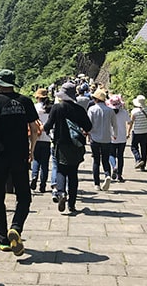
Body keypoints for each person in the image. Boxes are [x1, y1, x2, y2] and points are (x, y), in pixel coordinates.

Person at [0, 69, 39, 256]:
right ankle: (16, 227)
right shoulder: (25, 101)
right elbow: (34, 128)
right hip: (20, 155)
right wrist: (31, 151)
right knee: (24, 196)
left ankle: (3, 240)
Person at [44, 81, 91, 214]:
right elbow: (88, 126)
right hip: (76, 145)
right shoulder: (79, 110)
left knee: (60, 170)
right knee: (73, 174)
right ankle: (72, 204)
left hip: (61, 144)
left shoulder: (56, 108)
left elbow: (47, 126)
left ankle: (61, 193)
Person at [87, 89, 117, 191]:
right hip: (106, 138)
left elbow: (89, 124)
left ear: (95, 99)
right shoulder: (110, 110)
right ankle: (107, 174)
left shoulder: (92, 109)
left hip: (95, 138)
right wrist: (115, 135)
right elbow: (114, 124)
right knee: (105, 159)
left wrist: (88, 133)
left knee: (96, 161)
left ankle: (97, 184)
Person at [30, 88, 53, 192]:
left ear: (38, 97)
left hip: (36, 137)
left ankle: (34, 177)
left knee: (36, 159)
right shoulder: (50, 109)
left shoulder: (34, 108)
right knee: (45, 163)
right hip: (47, 138)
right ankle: (43, 185)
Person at [107, 94, 129, 182]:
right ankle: (119, 175)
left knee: (111, 154)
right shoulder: (124, 112)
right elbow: (129, 122)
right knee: (120, 156)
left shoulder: (109, 113)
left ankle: (114, 166)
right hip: (122, 137)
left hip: (111, 136)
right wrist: (128, 132)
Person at [127, 94, 147, 171]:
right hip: (146, 131)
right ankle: (143, 165)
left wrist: (128, 132)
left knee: (134, 147)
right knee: (144, 148)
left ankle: (138, 159)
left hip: (137, 131)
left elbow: (131, 123)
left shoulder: (134, 111)